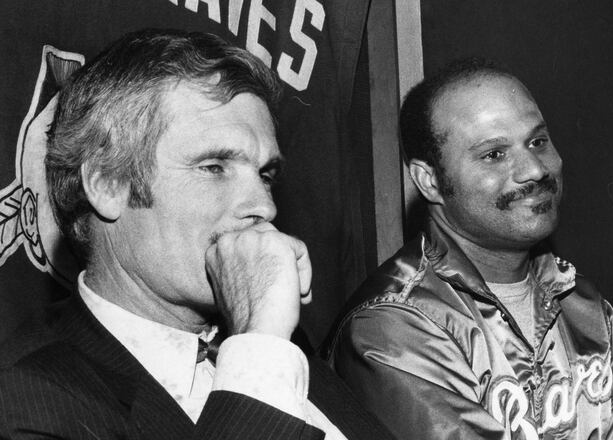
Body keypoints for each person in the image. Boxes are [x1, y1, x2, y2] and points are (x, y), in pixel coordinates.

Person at [0, 29, 393, 440]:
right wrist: (260, 343)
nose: (264, 206)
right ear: (107, 184)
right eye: (214, 167)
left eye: (265, 174)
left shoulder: (282, 343)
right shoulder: (23, 399)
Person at [325, 58, 613, 439]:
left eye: (537, 141)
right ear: (429, 181)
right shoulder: (392, 323)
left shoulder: (584, 305)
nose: (534, 169)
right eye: (494, 154)